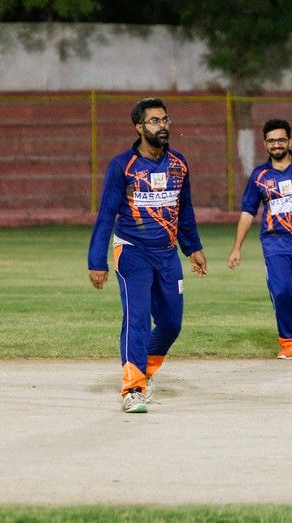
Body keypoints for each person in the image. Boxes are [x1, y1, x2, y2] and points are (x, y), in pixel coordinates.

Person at [88, 97, 208, 413]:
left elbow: (185, 210)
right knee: (138, 317)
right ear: (139, 127)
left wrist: (193, 248)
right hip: (132, 252)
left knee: (171, 323)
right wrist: (96, 260)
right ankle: (133, 388)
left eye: (165, 120)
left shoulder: (179, 164)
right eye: (154, 121)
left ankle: (146, 369)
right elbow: (105, 216)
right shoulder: (122, 166)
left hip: (167, 254)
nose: (162, 126)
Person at [228, 119, 292, 359]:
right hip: (275, 244)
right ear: (265, 144)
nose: (276, 145)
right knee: (281, 292)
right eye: (271, 141)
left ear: (290, 141)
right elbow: (248, 212)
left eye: (281, 140)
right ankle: (289, 344)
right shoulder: (259, 176)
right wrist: (236, 248)